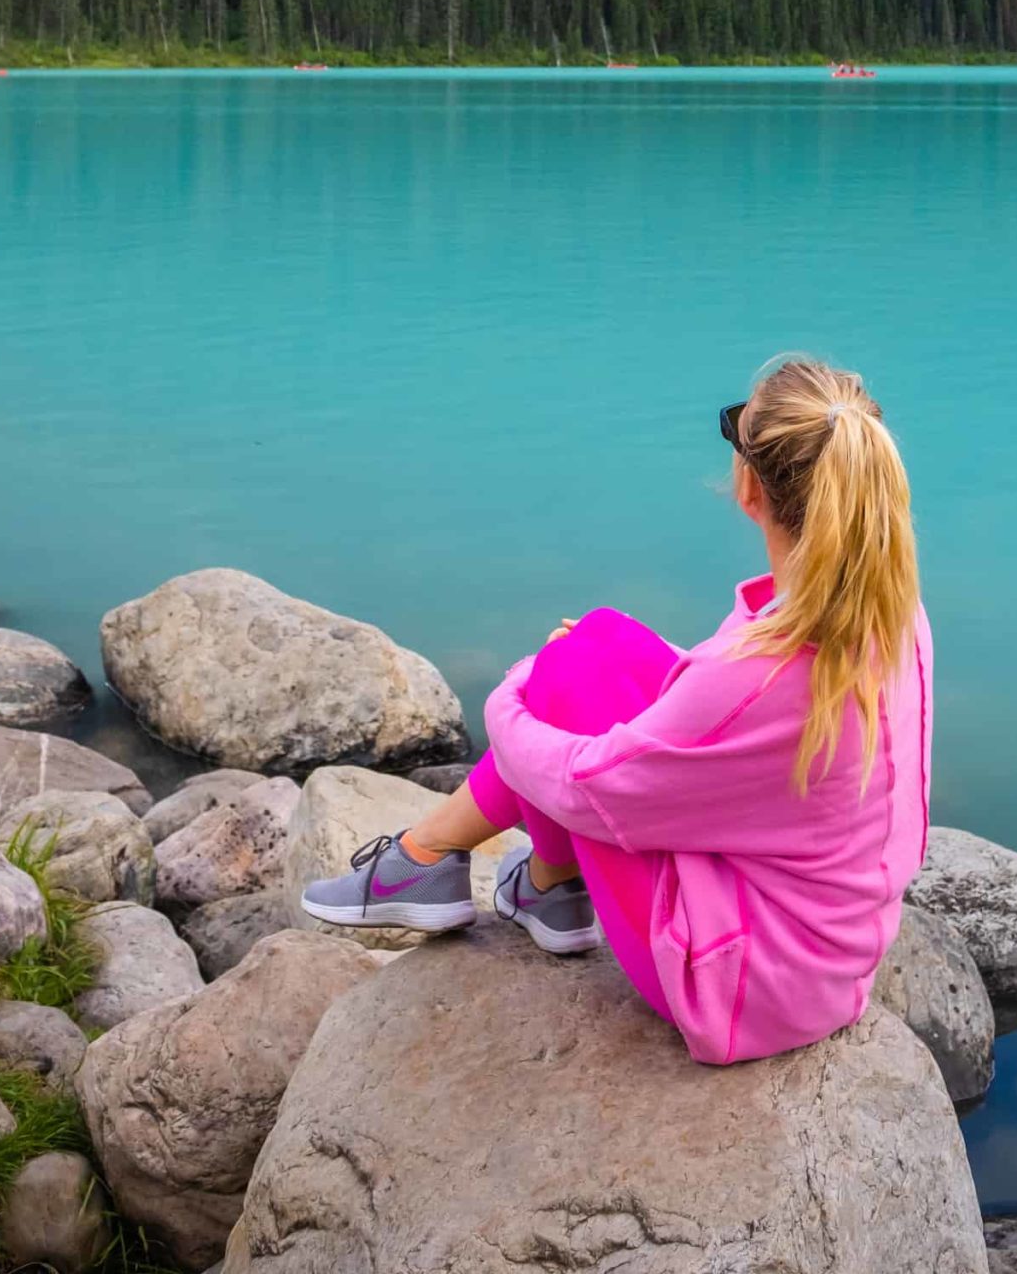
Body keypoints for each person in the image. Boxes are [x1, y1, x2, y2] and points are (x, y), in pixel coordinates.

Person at [301, 354, 932, 1066]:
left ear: (750, 486)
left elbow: (585, 787)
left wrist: (518, 690)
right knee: (599, 637)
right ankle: (524, 884)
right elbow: (717, 704)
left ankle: (442, 864)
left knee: (557, 687)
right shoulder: (890, 614)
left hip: (741, 992)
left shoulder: (756, 674)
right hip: (827, 956)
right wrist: (602, 659)